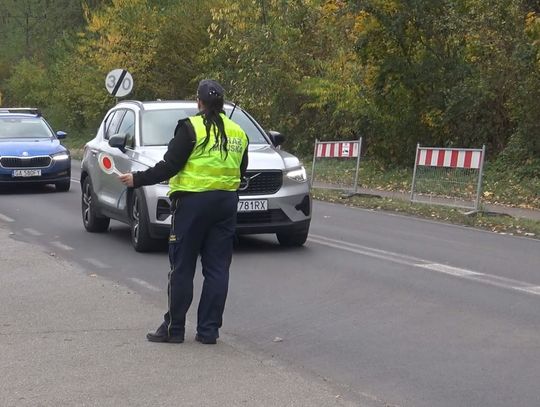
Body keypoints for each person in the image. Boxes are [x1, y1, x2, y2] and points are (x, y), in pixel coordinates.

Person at [119, 79, 249, 344]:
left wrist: (137, 179)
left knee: (182, 267)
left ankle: (174, 329)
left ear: (199, 103)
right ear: (222, 104)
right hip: (225, 205)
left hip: (192, 205)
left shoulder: (191, 128)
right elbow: (241, 169)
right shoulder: (239, 132)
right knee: (217, 269)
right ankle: (209, 331)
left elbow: (169, 166)